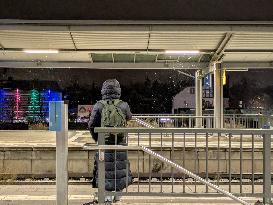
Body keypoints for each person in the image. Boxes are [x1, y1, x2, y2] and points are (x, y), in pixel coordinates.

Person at [88, 79, 132, 203]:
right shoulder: (123, 105)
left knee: (104, 170)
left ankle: (106, 197)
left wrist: (98, 139)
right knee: (119, 169)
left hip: (104, 144)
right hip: (120, 143)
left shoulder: (99, 105)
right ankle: (117, 196)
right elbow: (129, 117)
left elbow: (91, 125)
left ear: (103, 90)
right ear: (118, 90)